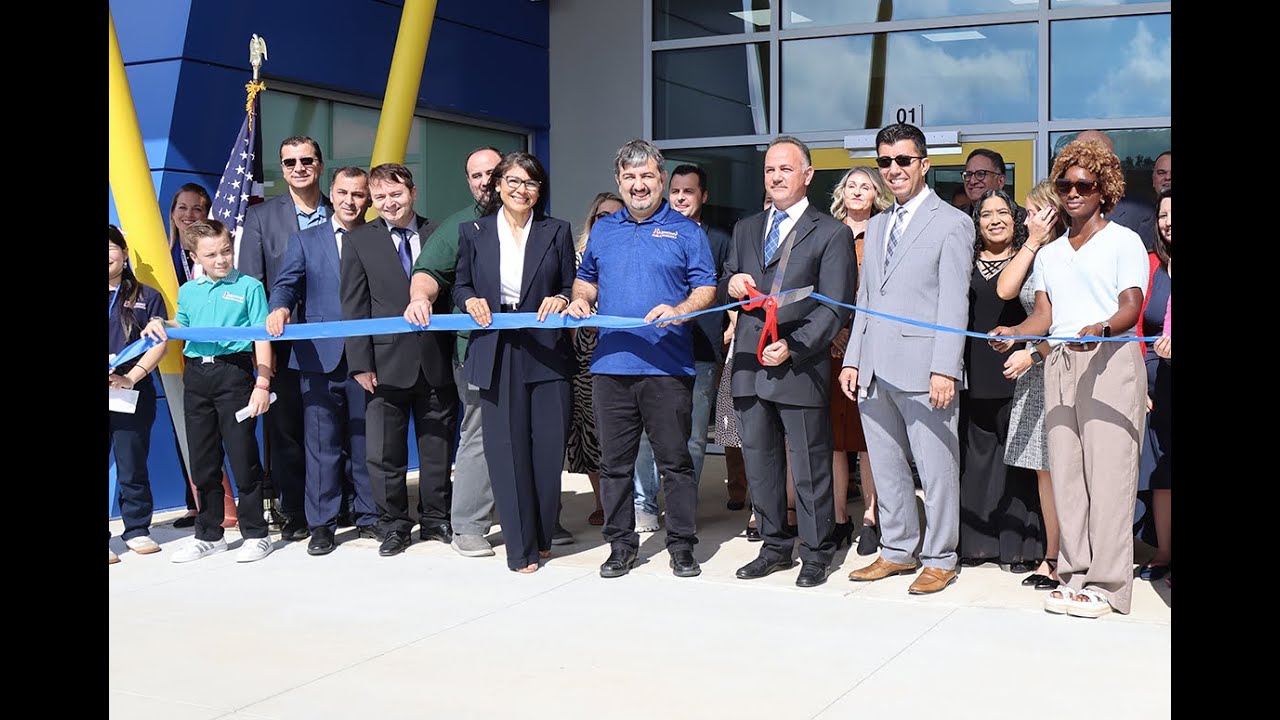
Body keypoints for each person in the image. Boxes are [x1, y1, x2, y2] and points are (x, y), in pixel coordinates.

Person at [992, 138, 1148, 618]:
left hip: (1109, 360)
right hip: (1058, 361)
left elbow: (1131, 305)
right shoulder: (1051, 253)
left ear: (1105, 189)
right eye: (1066, 183)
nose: (1074, 191)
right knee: (1068, 477)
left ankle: (1107, 584)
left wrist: (1101, 328)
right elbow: (1044, 315)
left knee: (1109, 477)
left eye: (1085, 184)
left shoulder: (1124, 240)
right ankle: (1074, 573)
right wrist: (1014, 333)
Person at [564, 139, 716, 579]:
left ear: (661, 179)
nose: (638, 184)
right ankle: (620, 544)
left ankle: (682, 546)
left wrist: (681, 310)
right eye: (629, 177)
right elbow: (586, 279)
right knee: (614, 465)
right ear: (619, 181)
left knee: (676, 462)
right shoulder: (606, 229)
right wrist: (579, 300)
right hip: (611, 366)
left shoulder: (687, 231)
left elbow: (706, 287)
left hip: (668, 368)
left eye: (647, 176)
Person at [841, 122, 973, 595]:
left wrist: (944, 367)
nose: (893, 169)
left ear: (924, 164)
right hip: (874, 367)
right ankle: (897, 550)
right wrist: (853, 359)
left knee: (936, 468)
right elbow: (865, 298)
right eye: (885, 161)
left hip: (925, 370)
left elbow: (955, 302)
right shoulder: (875, 225)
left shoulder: (953, 223)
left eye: (902, 160)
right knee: (887, 464)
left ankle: (941, 557)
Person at [724, 135, 855, 589]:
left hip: (798, 365)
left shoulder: (831, 232)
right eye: (769, 170)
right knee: (759, 462)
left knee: (809, 462)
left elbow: (836, 306)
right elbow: (729, 280)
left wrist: (796, 346)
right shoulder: (745, 229)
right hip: (748, 362)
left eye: (785, 169)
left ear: (807, 175)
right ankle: (775, 546)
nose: (776, 177)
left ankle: (816, 552)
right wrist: (733, 282)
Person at [452, 152, 575, 573]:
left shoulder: (556, 231)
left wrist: (562, 298)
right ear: (498, 185)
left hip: (546, 348)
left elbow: (567, 283)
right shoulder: (473, 232)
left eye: (531, 183)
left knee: (546, 450)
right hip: (495, 347)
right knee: (505, 452)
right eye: (514, 181)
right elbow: (461, 283)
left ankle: (542, 537)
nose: (522, 190)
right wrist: (468, 299)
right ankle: (519, 549)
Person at [141, 220, 276, 564]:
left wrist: (263, 383)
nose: (221, 259)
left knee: (243, 455)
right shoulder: (189, 290)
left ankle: (256, 534)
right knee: (203, 460)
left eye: (226, 251)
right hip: (197, 374)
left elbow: (262, 336)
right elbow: (183, 324)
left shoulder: (249, 286)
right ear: (194, 256)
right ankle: (209, 534)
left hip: (235, 372)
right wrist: (163, 323)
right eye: (212, 254)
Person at [340, 163, 456, 557]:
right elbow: (353, 306)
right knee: (384, 453)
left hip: (435, 360)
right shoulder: (359, 241)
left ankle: (437, 518)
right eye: (381, 197)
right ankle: (394, 526)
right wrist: (359, 363)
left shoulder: (439, 232)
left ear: (413, 192)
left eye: (396, 194)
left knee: (437, 447)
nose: (389, 203)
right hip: (383, 365)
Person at [405, 146, 515, 558]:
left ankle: (536, 516)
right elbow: (428, 272)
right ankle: (468, 525)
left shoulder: (534, 221)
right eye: (476, 175)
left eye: (492, 172)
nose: (485, 181)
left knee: (528, 433)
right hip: (477, 352)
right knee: (479, 436)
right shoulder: (460, 225)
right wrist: (420, 299)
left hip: (531, 351)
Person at [265, 167, 379, 555]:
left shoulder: (378, 238)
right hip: (317, 358)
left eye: (359, 195)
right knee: (321, 445)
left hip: (368, 357)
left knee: (366, 443)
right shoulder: (305, 240)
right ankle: (322, 525)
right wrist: (279, 309)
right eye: (344, 193)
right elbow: (286, 284)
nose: (351, 201)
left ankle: (368, 516)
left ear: (368, 199)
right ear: (332, 193)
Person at [239, 136, 335, 542]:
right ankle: (293, 510)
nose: (299, 167)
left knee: (334, 431)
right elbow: (254, 284)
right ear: (282, 167)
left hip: (336, 346)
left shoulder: (344, 208)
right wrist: (263, 350)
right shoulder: (262, 218)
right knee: (287, 434)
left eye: (306, 160)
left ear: (320, 164)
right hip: (284, 346)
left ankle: (336, 506)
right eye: (290, 161)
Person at [631, 164, 732, 531]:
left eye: (689, 192)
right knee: (645, 432)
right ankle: (643, 503)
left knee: (692, 436)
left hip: (701, 349)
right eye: (675, 191)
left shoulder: (720, 239)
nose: (680, 198)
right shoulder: (648, 233)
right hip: (652, 348)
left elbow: (725, 289)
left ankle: (680, 508)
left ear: (703, 196)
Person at [956, 189, 1043, 570]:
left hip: (1017, 370)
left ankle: (1021, 547)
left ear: (1016, 217)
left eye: (1002, 212)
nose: (994, 219)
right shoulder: (965, 260)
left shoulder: (1034, 259)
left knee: (1019, 462)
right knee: (977, 459)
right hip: (974, 373)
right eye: (986, 214)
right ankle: (978, 544)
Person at [994, 178, 1067, 591]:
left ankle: (1071, 556)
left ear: (1053, 211)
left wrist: (1032, 351)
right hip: (1033, 369)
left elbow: (1067, 319)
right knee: (1045, 472)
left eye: (1032, 210)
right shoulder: (1039, 253)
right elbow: (1005, 288)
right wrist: (1033, 242)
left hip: (1061, 364)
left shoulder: (1071, 253)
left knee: (1069, 470)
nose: (1025, 218)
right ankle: (1052, 554)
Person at [828, 166, 892, 556]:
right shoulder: (825, 230)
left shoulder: (885, 231)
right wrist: (832, 332)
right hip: (829, 346)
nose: (856, 191)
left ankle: (872, 517)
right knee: (835, 441)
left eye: (865, 185)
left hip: (872, 346)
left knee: (870, 440)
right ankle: (838, 518)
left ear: (876, 193)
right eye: (850, 185)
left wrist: (857, 336)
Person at [165, 183, 236, 529]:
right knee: (190, 432)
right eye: (183, 207)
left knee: (222, 435)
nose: (189, 215)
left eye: (197, 208)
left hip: (214, 357)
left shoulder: (218, 261)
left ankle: (228, 510)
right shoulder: (163, 251)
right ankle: (195, 504)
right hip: (170, 353)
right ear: (172, 212)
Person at [109, 224, 169, 563]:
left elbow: (158, 343)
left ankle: (136, 529)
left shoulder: (146, 296)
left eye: (110, 247)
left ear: (124, 252)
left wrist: (132, 376)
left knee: (132, 463)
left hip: (131, 390)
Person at [565, 192, 623, 527]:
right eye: (601, 215)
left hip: (619, 351)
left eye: (614, 215)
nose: (606, 221)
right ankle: (602, 501)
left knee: (617, 431)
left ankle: (627, 499)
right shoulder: (575, 259)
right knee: (588, 431)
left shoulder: (631, 254)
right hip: (581, 356)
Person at [1136, 186, 1171, 580]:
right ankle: (1163, 552)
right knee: (1162, 470)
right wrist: (1140, 384)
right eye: (1163, 214)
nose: (1168, 221)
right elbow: (1139, 325)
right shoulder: (1151, 266)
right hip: (1158, 385)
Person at [1074, 130, 1156, 251]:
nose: (1085, 162)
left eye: (1094, 155)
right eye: (1078, 154)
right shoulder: (1057, 209)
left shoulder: (1141, 213)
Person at [956, 148, 1008, 216]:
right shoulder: (957, 218)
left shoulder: (1022, 220)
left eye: (981, 174)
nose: (972, 181)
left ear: (1000, 181)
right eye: (969, 174)